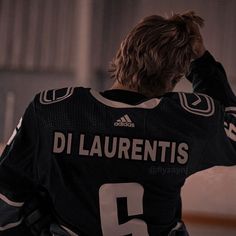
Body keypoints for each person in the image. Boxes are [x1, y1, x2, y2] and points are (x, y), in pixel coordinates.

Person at [0, 11, 236, 236]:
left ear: (122, 54)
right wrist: (201, 60)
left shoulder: (53, 113)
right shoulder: (183, 122)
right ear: (173, 78)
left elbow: (8, 192)